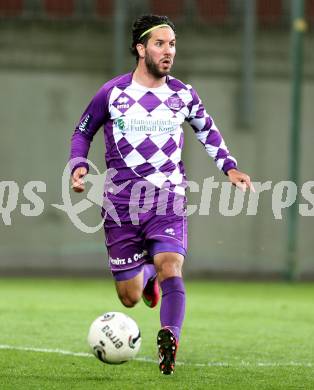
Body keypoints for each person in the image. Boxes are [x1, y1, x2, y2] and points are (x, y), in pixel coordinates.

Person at [69, 14, 253, 375]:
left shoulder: (182, 94)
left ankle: (170, 337)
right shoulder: (113, 93)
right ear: (140, 48)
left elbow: (207, 131)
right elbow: (82, 131)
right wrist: (78, 164)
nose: (168, 51)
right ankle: (148, 278)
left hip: (167, 198)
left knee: (172, 265)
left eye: (172, 44)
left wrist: (229, 166)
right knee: (130, 297)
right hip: (120, 204)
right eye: (159, 44)